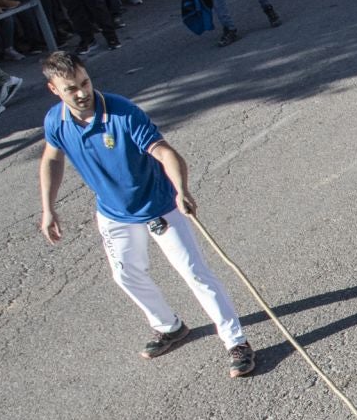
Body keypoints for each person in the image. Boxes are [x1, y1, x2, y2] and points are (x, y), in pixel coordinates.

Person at [36, 51, 256, 379]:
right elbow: (52, 159)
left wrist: (181, 190)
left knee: (195, 273)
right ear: (54, 89)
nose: (82, 93)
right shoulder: (56, 120)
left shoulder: (123, 113)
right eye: (71, 88)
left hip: (159, 207)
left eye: (85, 82)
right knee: (126, 274)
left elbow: (165, 152)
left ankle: (236, 342)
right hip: (114, 213)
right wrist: (48, 208)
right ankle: (169, 326)